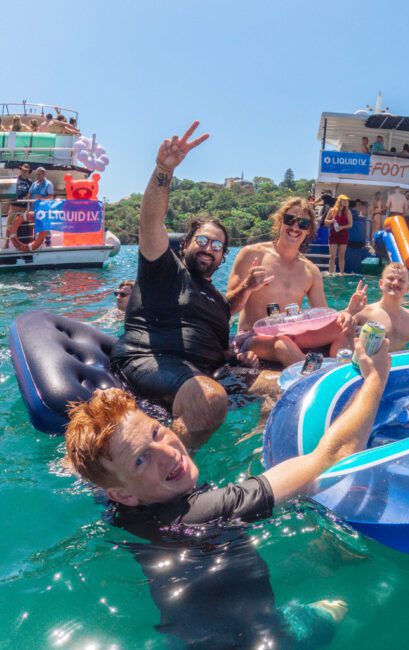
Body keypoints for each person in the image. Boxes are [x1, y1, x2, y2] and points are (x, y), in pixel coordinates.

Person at [65, 338, 390, 648]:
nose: (168, 452)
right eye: (141, 459)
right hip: (257, 640)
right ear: (123, 494)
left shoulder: (120, 505)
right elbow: (333, 457)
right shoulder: (206, 510)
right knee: (340, 608)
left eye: (156, 432)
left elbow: (102, 479)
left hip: (187, 636)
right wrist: (376, 377)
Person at [110, 122, 271, 449]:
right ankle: (160, 488)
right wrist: (163, 170)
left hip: (209, 372)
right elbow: (150, 222)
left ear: (222, 256)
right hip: (152, 361)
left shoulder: (216, 298)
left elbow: (228, 307)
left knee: (287, 388)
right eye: (203, 240)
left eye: (217, 246)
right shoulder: (165, 268)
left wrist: (236, 358)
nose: (209, 249)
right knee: (209, 399)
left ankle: (255, 456)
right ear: (185, 244)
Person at [228, 197, 353, 366]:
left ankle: (340, 374)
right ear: (280, 221)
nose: (295, 227)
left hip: (294, 334)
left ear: (309, 230)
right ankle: (316, 376)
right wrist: (247, 286)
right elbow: (227, 308)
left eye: (303, 224)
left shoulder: (311, 270)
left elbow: (323, 315)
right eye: (290, 220)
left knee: (345, 327)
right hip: (252, 337)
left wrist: (345, 313)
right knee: (282, 344)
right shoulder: (252, 254)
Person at [347, 263, 409, 351]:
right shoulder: (362, 313)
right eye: (391, 278)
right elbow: (336, 330)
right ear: (381, 283)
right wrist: (350, 311)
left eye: (401, 280)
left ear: (407, 288)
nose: (395, 283)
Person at [3, 164, 32, 249]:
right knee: (9, 225)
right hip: (14, 206)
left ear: (29, 172)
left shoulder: (30, 182)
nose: (24, 172)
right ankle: (6, 243)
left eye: (26, 170)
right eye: (23, 170)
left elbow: (31, 194)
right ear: (21, 170)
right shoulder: (15, 179)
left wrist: (29, 206)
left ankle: (19, 244)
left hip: (23, 207)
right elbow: (9, 192)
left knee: (19, 226)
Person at [324, 194, 353, 274]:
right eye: (344, 200)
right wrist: (331, 221)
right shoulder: (332, 210)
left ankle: (341, 273)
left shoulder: (348, 212)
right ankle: (330, 273)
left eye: (347, 200)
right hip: (333, 234)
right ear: (339, 201)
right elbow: (325, 222)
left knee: (341, 256)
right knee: (332, 256)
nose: (346, 202)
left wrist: (341, 227)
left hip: (343, 235)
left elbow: (350, 224)